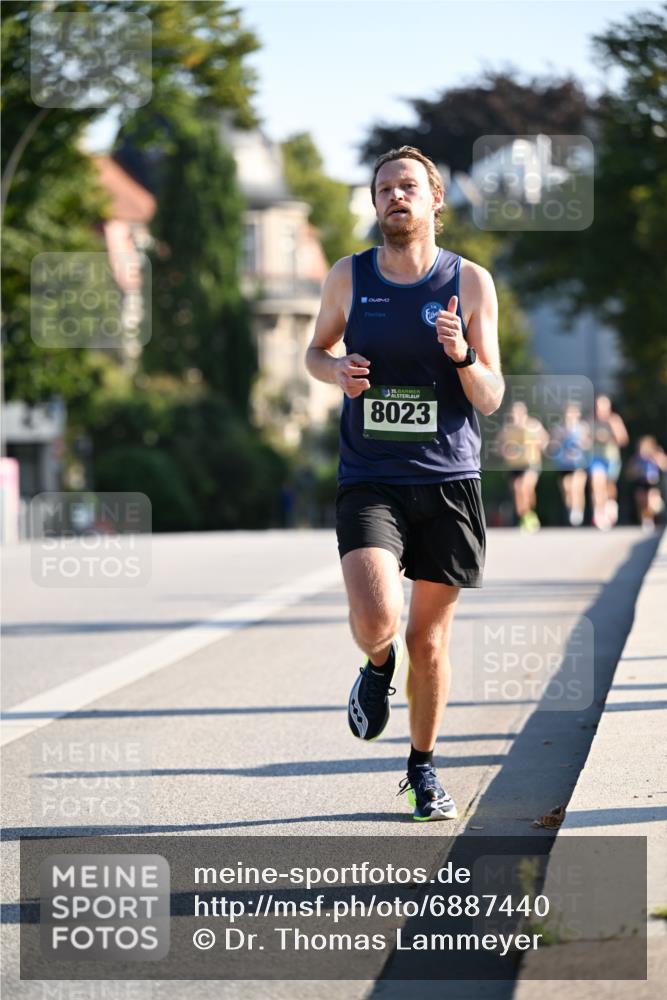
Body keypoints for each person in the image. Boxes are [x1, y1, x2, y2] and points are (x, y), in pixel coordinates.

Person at [305, 146, 504, 821]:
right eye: (384, 187)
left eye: (408, 186)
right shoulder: (348, 276)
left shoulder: (469, 283)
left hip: (448, 480)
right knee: (376, 619)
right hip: (370, 477)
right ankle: (375, 663)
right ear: (374, 202)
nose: (396, 196)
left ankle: (421, 769)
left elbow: (490, 395)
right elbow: (315, 350)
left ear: (435, 199)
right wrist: (335, 373)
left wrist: (462, 355)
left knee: (430, 643)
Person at [495, 401, 548, 532]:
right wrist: (505, 450)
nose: (515, 417)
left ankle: (530, 513)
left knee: (525, 488)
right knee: (518, 490)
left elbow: (545, 440)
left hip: (531, 463)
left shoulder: (533, 425)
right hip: (515, 465)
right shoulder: (507, 429)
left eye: (517, 414)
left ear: (524, 413)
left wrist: (538, 445)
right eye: (512, 414)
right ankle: (525, 517)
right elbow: (498, 445)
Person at [589, 395, 628, 530]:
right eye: (598, 407)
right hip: (596, 458)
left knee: (609, 486)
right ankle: (600, 514)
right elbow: (586, 440)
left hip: (611, 458)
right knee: (597, 484)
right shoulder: (592, 421)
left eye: (603, 407)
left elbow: (623, 439)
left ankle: (611, 504)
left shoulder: (614, 420)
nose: (600, 410)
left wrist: (610, 436)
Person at [550, 402, 592, 526]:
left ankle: (578, 511)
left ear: (577, 414)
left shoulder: (582, 427)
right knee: (567, 489)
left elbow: (588, 443)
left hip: (578, 462)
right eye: (568, 413)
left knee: (576, 488)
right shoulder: (558, 428)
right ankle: (572, 508)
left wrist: (582, 443)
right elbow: (553, 445)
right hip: (563, 464)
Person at [627, 436, 667, 532]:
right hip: (641, 483)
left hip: (653, 483)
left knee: (650, 502)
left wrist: (656, 460)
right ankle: (646, 520)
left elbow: (664, 466)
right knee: (641, 503)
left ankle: (654, 514)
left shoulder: (657, 455)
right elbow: (630, 474)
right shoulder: (637, 459)